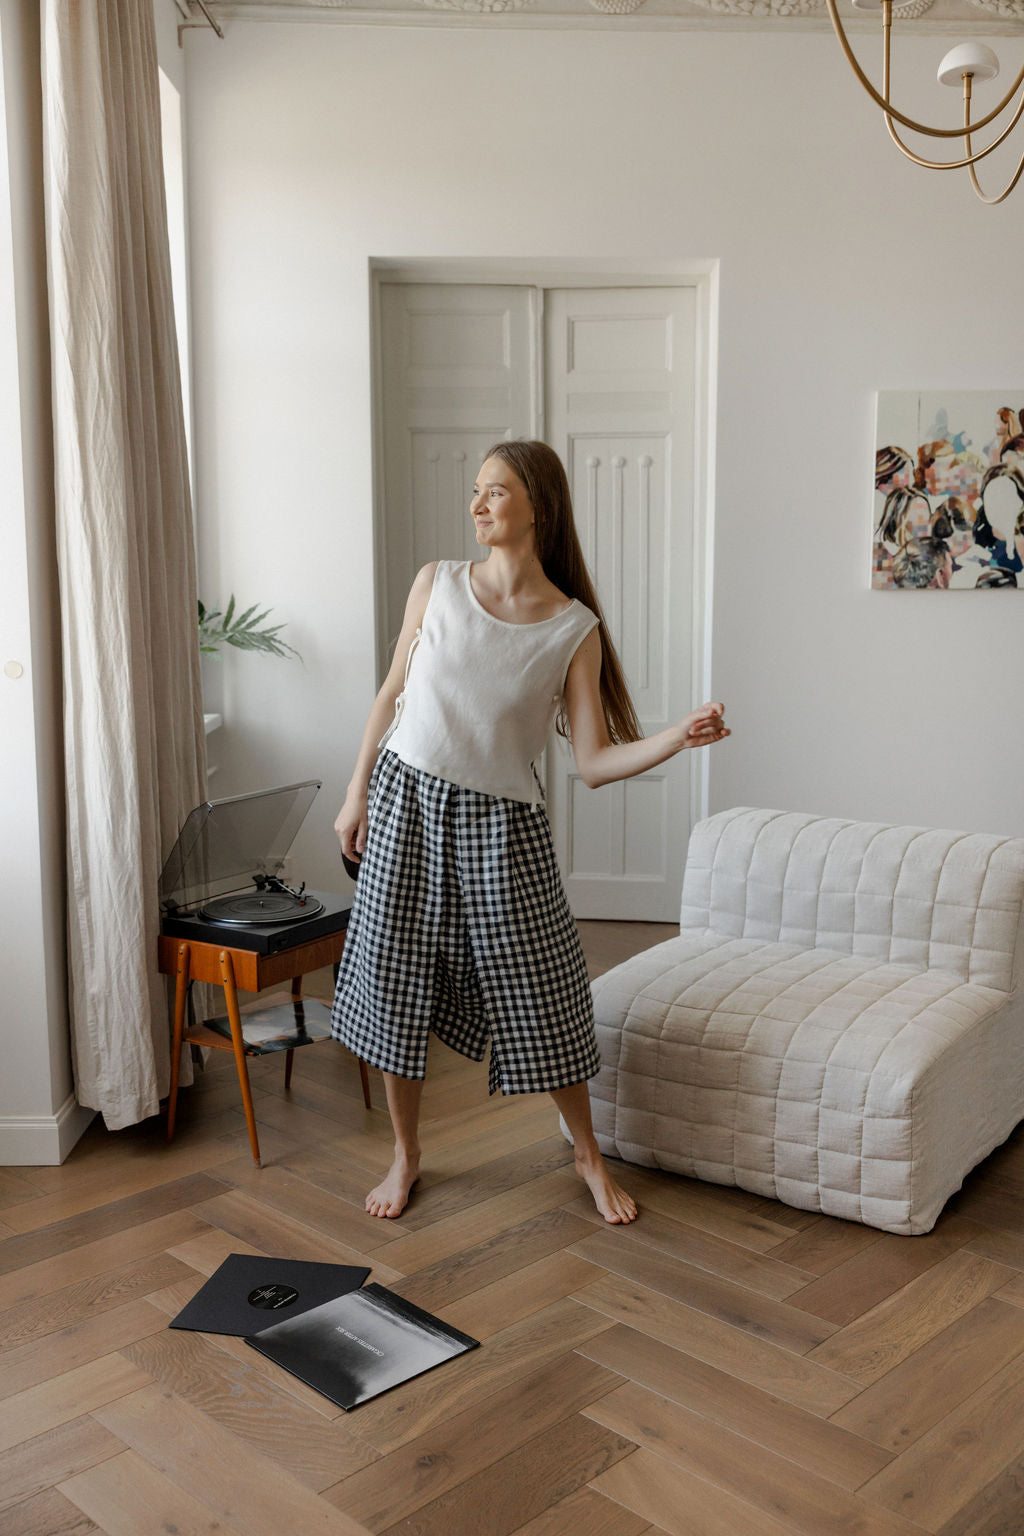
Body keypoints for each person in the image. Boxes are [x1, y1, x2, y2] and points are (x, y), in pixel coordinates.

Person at [331, 440, 729, 1225]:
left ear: (537, 507)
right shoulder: (436, 585)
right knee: (393, 983)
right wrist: (356, 796)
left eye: (497, 492)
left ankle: (586, 1152)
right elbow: (390, 696)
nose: (478, 505)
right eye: (476, 490)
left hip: (501, 827)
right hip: (405, 800)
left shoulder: (572, 628)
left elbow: (592, 761)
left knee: (544, 992)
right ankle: (407, 1155)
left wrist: (675, 737)